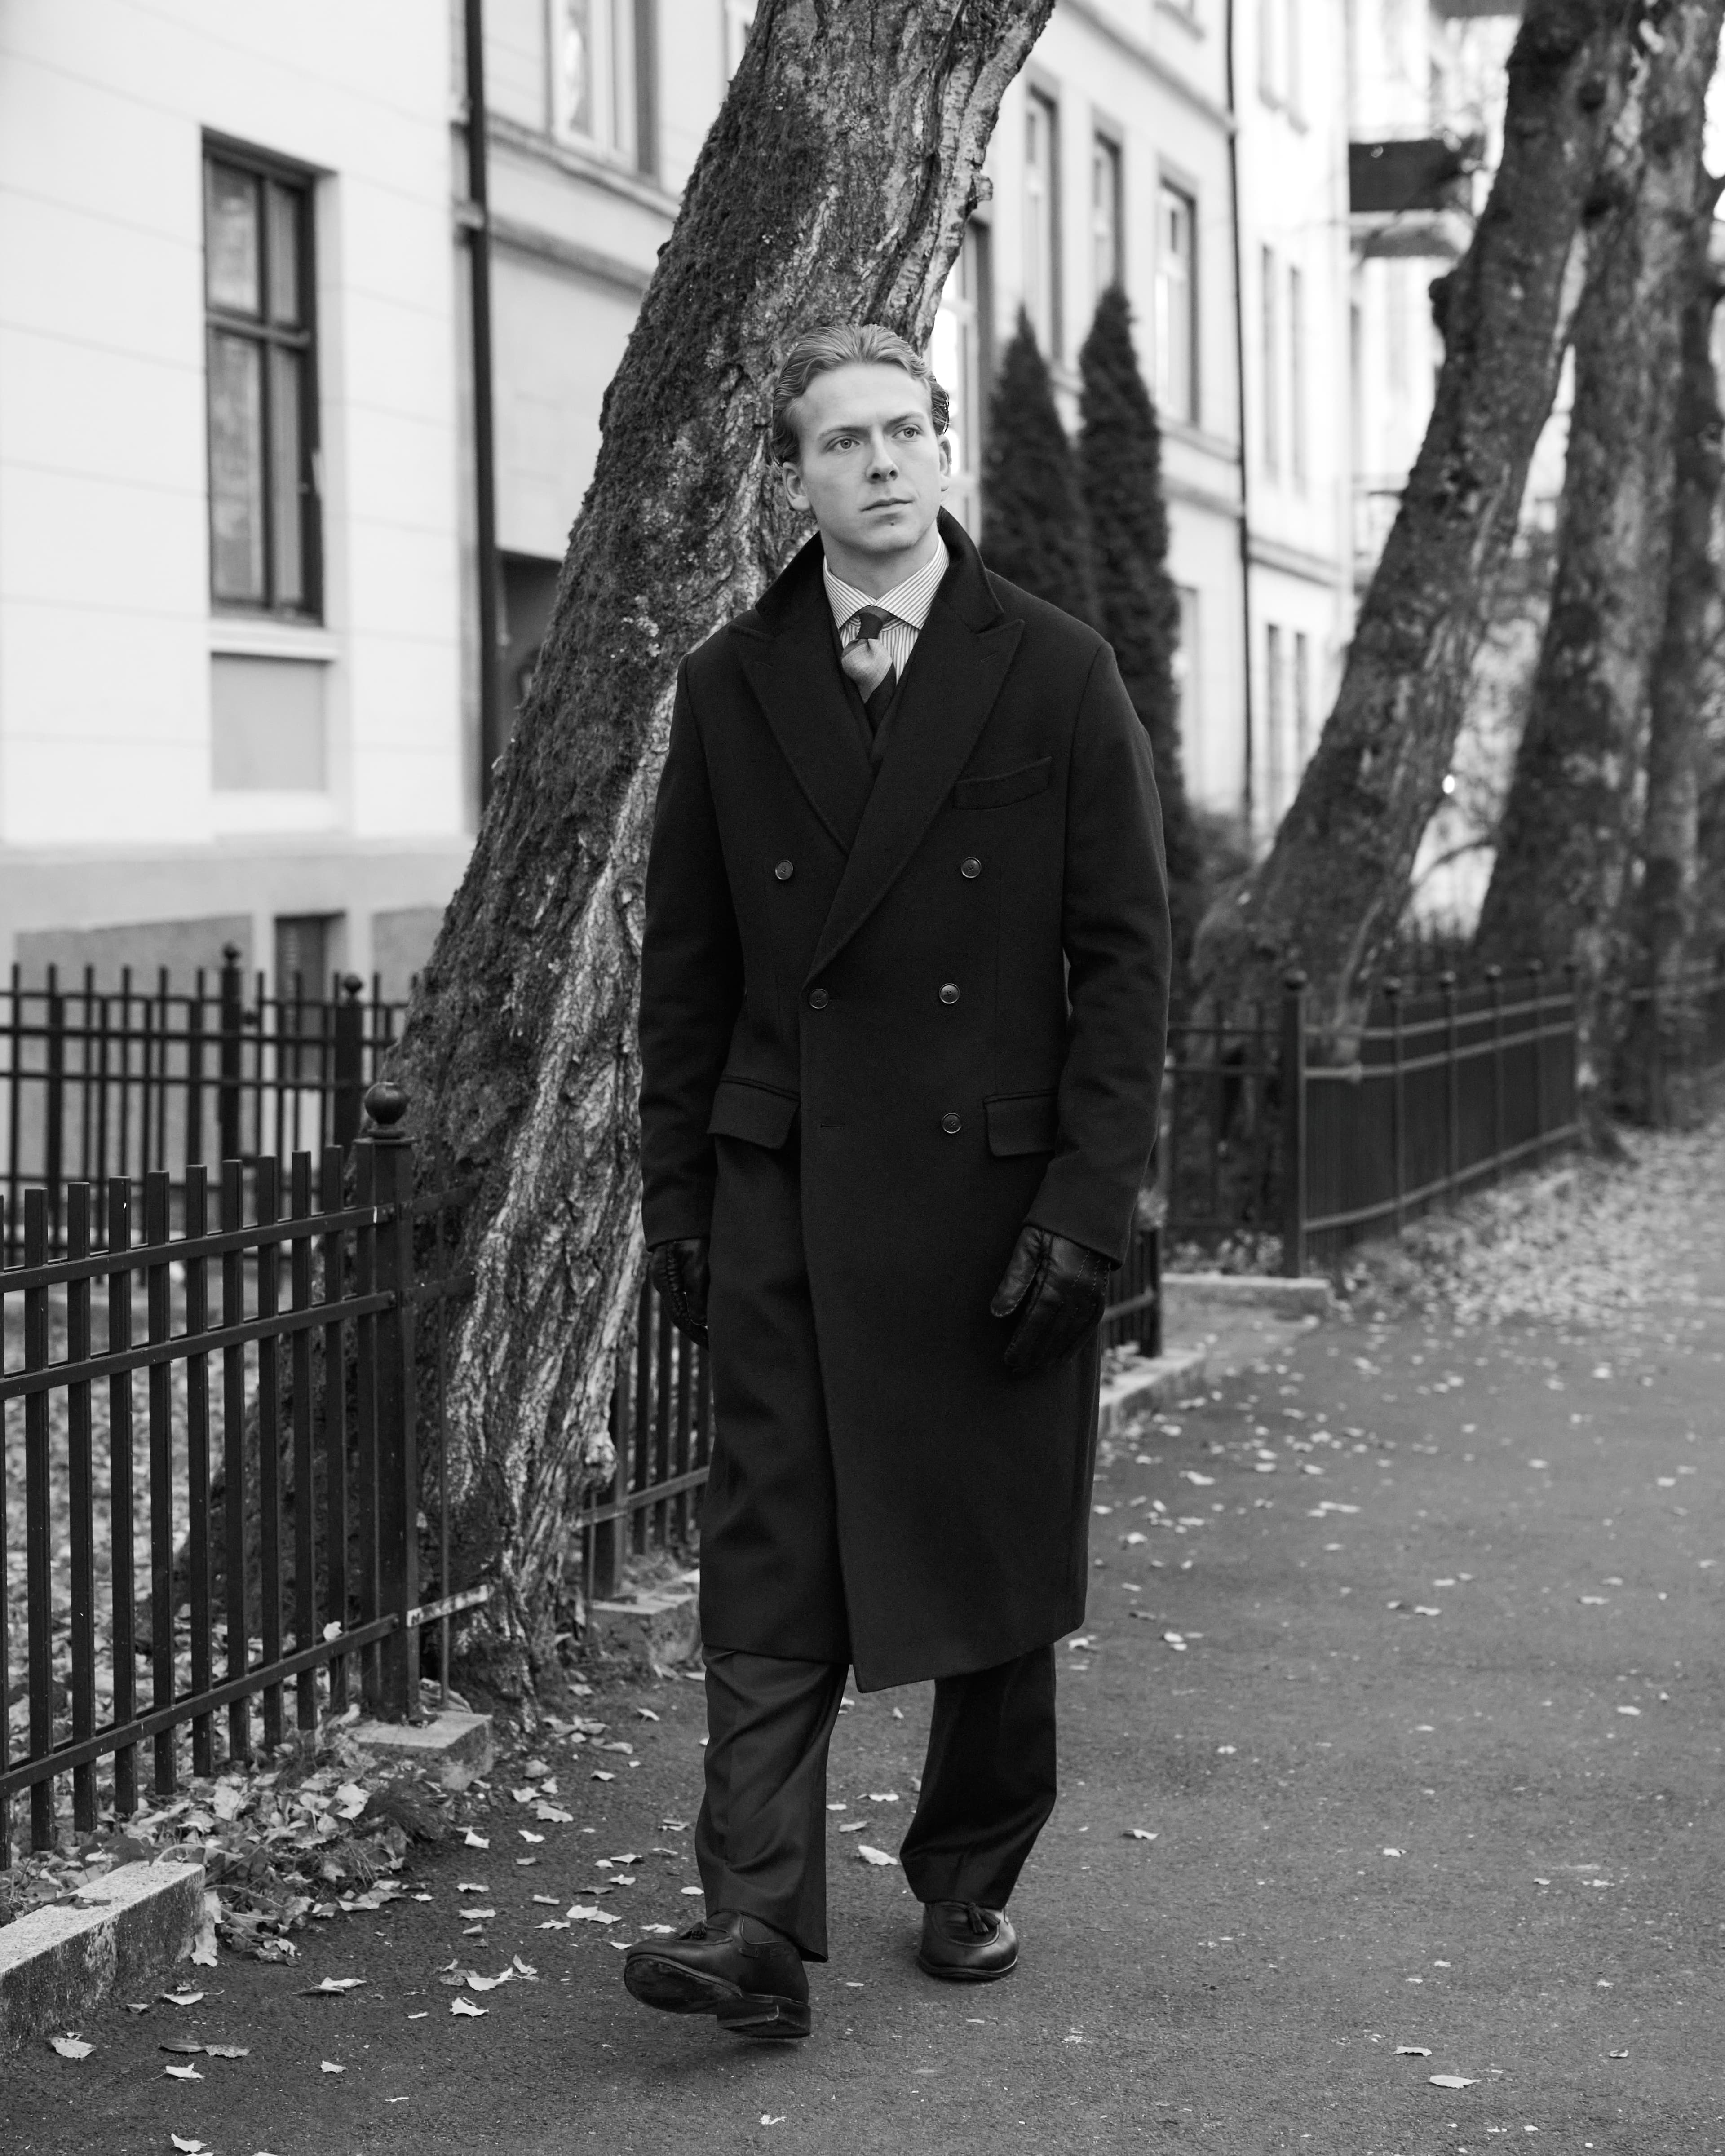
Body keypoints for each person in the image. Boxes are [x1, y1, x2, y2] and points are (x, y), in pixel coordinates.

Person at [624, 321, 1169, 2041]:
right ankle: (755, 1922)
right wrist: (677, 1199)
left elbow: (1126, 964)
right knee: (770, 1546)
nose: (880, 462)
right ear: (794, 478)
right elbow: (686, 975)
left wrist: (1088, 1209)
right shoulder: (730, 684)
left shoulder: (1056, 666)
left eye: (904, 430)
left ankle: (969, 1872)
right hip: (789, 1185)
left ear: (943, 450)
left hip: (997, 1205)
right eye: (842, 441)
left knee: (990, 1550)